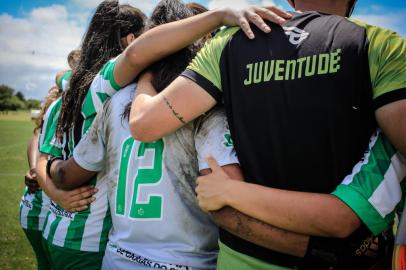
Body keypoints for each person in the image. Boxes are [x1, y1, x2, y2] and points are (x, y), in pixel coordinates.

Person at [129, 0, 406, 269]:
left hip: (241, 257)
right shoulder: (381, 45)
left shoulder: (231, 41)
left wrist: (146, 76)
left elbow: (144, 124)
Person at [37, 0, 290, 269]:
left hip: (117, 258)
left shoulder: (115, 101)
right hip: (188, 262)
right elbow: (228, 206)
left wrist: (47, 166)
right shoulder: (207, 108)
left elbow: (69, 174)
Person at [35, 2, 146, 269]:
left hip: (55, 225)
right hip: (88, 237)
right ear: (130, 40)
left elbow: (42, 156)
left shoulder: (67, 92)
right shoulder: (104, 89)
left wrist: (53, 192)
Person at [19, 87, 92, 270]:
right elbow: (37, 137)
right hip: (42, 206)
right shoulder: (61, 105)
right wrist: (36, 169)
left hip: (51, 211)